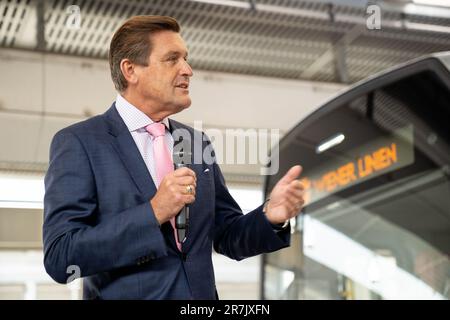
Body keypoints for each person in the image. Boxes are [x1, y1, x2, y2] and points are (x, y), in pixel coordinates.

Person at [43, 15, 305, 300]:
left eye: (186, 58)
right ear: (130, 70)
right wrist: (154, 212)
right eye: (172, 59)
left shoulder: (196, 142)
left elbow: (227, 235)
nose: (188, 70)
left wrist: (270, 216)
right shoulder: (80, 142)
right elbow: (61, 256)